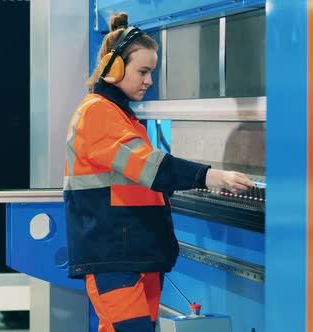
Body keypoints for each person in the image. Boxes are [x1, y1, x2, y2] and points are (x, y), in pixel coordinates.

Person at [63, 12, 255, 332]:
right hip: (113, 257)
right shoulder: (97, 113)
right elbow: (152, 168)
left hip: (137, 254)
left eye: (151, 72)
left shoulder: (126, 120)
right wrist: (210, 175)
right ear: (114, 69)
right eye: (143, 71)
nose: (149, 81)